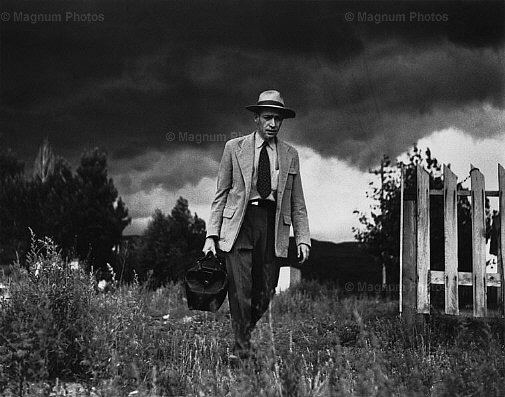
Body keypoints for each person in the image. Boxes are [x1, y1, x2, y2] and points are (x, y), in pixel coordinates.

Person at [202, 90, 311, 359]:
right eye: (267, 118)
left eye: (278, 119)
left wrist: (303, 238)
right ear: (256, 118)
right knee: (240, 289)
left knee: (265, 290)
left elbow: (297, 201)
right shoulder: (233, 148)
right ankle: (242, 351)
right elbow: (221, 194)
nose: (273, 124)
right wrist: (211, 235)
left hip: (273, 225)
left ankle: (243, 333)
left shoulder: (290, 155)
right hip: (239, 224)